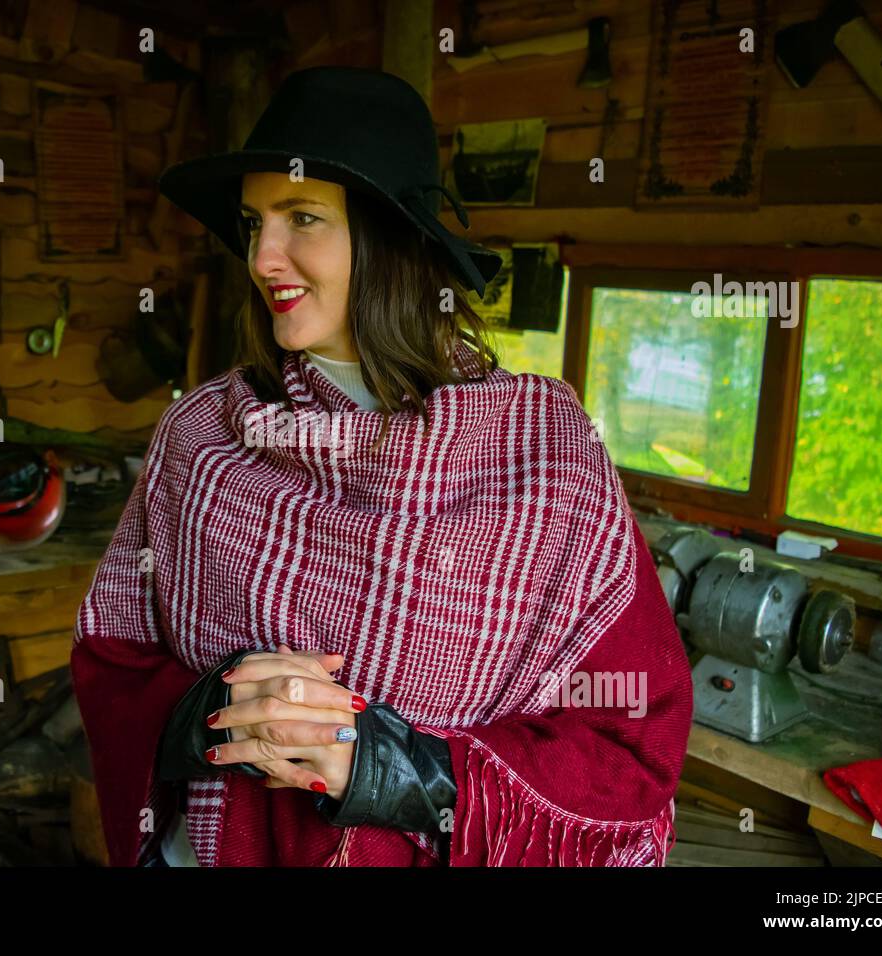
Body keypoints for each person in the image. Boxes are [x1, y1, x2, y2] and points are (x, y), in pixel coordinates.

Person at [70, 66, 692, 867]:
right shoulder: (199, 435)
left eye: (303, 217)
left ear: (392, 237)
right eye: (254, 221)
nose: (265, 256)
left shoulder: (546, 454)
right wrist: (203, 710)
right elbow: (112, 658)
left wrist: (402, 769)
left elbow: (630, 739)